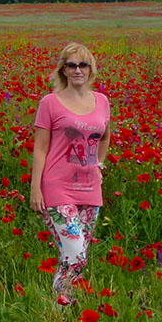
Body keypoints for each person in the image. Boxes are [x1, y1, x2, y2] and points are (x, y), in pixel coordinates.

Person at [30, 42, 111, 306]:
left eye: (83, 64)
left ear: (91, 69)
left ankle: (61, 310)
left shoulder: (101, 101)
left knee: (76, 257)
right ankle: (60, 309)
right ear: (63, 70)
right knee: (76, 255)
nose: (78, 70)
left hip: (90, 190)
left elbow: (104, 137)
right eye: (72, 65)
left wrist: (98, 165)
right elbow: (40, 149)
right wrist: (35, 189)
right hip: (57, 188)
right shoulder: (50, 103)